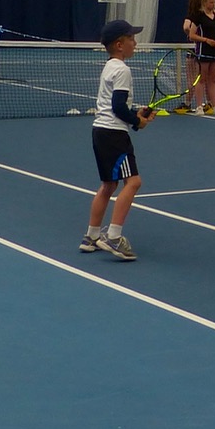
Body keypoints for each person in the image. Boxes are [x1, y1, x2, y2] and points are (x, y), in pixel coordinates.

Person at [80, 19, 157, 262]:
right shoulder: (123, 70)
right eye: (132, 39)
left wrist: (135, 114)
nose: (135, 42)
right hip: (114, 134)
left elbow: (117, 106)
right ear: (120, 44)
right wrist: (137, 122)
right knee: (133, 182)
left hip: (100, 132)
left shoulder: (110, 66)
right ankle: (113, 236)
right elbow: (117, 107)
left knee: (108, 185)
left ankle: (91, 237)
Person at [187, 0, 215, 115]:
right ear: (204, 3)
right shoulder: (198, 16)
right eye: (211, 2)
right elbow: (192, 35)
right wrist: (206, 40)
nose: (213, 4)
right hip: (203, 51)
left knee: (213, 79)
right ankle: (199, 106)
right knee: (201, 79)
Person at [180, 0, 203, 111]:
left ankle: (187, 103)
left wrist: (192, 35)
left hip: (193, 50)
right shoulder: (205, 16)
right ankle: (209, 103)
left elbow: (185, 27)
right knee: (204, 79)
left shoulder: (191, 17)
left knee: (191, 79)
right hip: (203, 50)